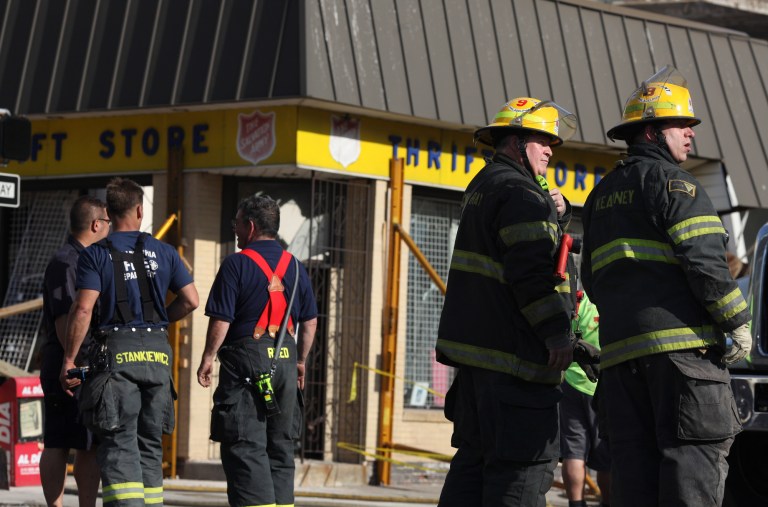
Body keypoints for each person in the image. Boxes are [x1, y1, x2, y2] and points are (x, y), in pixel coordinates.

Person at [580, 65, 752, 506]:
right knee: (690, 476)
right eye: (681, 125)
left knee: (634, 480)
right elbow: (707, 266)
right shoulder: (678, 186)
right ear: (652, 132)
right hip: (683, 363)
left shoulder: (600, 197)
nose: (690, 134)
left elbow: (591, 279)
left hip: (620, 366)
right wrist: (739, 323)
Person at [435, 97, 582, 507]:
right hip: (515, 368)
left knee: (473, 464)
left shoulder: (484, 185)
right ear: (516, 142)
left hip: (479, 370)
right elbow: (533, 277)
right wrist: (556, 334)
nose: (550, 149)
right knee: (521, 473)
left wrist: (558, 215)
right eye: (541, 140)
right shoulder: (520, 194)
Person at [59, 177, 199, 507]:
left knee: (120, 444)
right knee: (149, 445)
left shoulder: (95, 255)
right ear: (139, 209)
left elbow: (83, 308)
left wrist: (69, 359)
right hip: (158, 360)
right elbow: (191, 300)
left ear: (109, 211)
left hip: (116, 359)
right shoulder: (164, 252)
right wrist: (160, 319)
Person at [196, 194, 318, 507]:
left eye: (236, 223)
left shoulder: (236, 264)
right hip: (286, 363)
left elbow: (222, 320)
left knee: (245, 446)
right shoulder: (296, 267)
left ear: (250, 226)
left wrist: (208, 358)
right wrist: (301, 361)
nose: (234, 229)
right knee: (280, 446)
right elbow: (310, 323)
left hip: (247, 366)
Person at [40, 196, 109, 507]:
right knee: (58, 442)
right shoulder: (68, 262)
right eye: (108, 222)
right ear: (96, 225)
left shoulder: (90, 259)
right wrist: (73, 365)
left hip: (86, 365)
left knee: (88, 444)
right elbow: (65, 321)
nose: (110, 227)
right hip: (66, 365)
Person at [560, 291, 610, 507]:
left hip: (571, 383)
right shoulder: (609, 305)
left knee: (573, 451)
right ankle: (608, 502)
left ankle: (576, 503)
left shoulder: (578, 304)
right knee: (606, 456)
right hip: (602, 385)